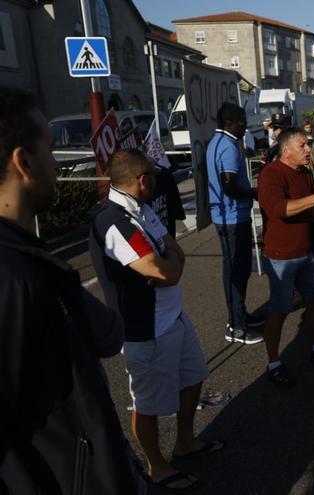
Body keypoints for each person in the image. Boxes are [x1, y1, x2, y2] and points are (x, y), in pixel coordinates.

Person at [0, 86, 140, 494]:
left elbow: (107, 335)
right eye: (49, 148)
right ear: (24, 162)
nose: (57, 164)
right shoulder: (12, 275)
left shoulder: (26, 258)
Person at [90, 149, 223, 493]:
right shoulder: (114, 220)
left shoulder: (143, 209)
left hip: (173, 317)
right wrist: (169, 270)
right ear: (141, 179)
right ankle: (157, 465)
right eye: (153, 173)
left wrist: (169, 270)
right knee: (147, 404)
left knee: (193, 378)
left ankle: (185, 442)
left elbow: (173, 254)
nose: (158, 178)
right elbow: (161, 268)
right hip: (144, 330)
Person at [257, 130, 314, 388]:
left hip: (306, 253)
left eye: (307, 144)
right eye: (302, 145)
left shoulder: (305, 173)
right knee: (280, 311)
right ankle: (273, 363)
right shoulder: (271, 174)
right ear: (286, 151)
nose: (308, 149)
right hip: (281, 256)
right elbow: (277, 209)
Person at [207, 102, 264, 344]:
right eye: (242, 123)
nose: (245, 128)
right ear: (230, 123)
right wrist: (253, 193)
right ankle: (237, 327)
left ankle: (239, 316)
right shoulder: (228, 147)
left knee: (235, 271)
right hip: (232, 218)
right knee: (236, 272)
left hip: (227, 217)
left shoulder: (215, 143)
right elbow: (229, 185)